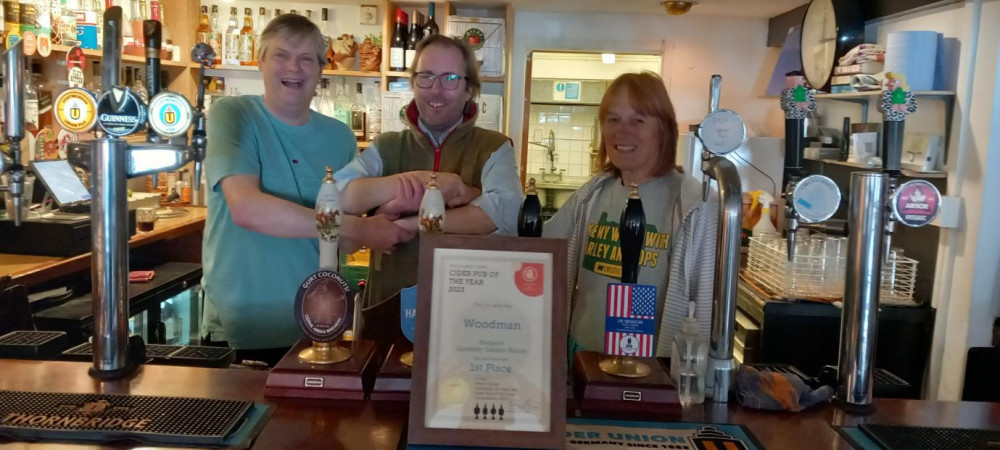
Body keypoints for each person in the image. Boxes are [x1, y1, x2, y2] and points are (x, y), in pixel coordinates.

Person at [201, 13, 411, 365]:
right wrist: (359, 227)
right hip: (243, 325)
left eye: (306, 58)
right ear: (260, 61)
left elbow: (341, 240)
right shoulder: (233, 114)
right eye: (281, 55)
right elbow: (247, 209)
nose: (294, 68)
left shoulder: (339, 136)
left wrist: (384, 221)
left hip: (319, 322)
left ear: (321, 68)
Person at [335, 34, 522, 324]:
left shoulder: (494, 147)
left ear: (469, 88)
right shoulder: (387, 146)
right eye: (426, 77)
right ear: (413, 83)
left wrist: (407, 223)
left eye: (450, 78)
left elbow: (504, 214)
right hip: (388, 306)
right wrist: (418, 182)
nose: (436, 90)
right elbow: (337, 195)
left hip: (470, 312)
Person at [543, 71, 718, 359]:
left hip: (652, 368)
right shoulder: (592, 193)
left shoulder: (694, 205)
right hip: (582, 357)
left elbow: (705, 303)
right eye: (613, 119)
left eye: (638, 120)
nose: (621, 131)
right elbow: (542, 247)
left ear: (663, 129)